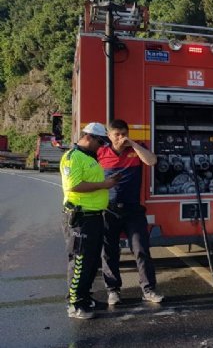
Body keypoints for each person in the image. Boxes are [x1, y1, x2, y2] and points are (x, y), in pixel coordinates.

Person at [97, 119, 163, 305]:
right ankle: (113, 291)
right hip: (108, 210)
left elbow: (152, 161)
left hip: (133, 209)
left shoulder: (137, 149)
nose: (121, 138)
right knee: (109, 251)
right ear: (109, 136)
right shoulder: (100, 153)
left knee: (141, 249)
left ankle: (149, 290)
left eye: (124, 134)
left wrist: (133, 144)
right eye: (116, 135)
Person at [60, 122, 120, 319]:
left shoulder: (88, 157)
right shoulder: (73, 157)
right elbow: (74, 186)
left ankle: (85, 297)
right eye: (100, 142)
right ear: (89, 137)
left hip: (94, 216)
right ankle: (74, 304)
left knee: (92, 261)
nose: (102, 146)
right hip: (80, 217)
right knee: (80, 261)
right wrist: (106, 184)